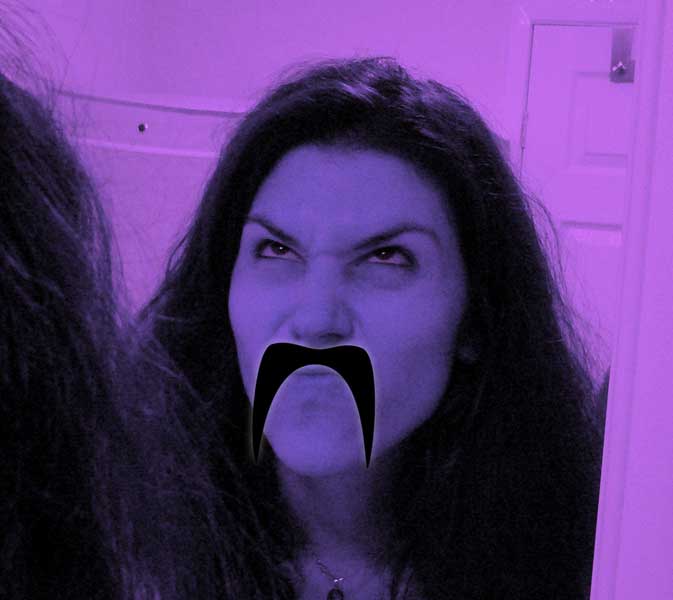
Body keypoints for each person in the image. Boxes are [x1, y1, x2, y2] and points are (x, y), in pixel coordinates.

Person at [143, 57, 603, 599]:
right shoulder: (131, 543)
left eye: (387, 257)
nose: (316, 320)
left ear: (475, 320)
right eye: (276, 249)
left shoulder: (587, 560)